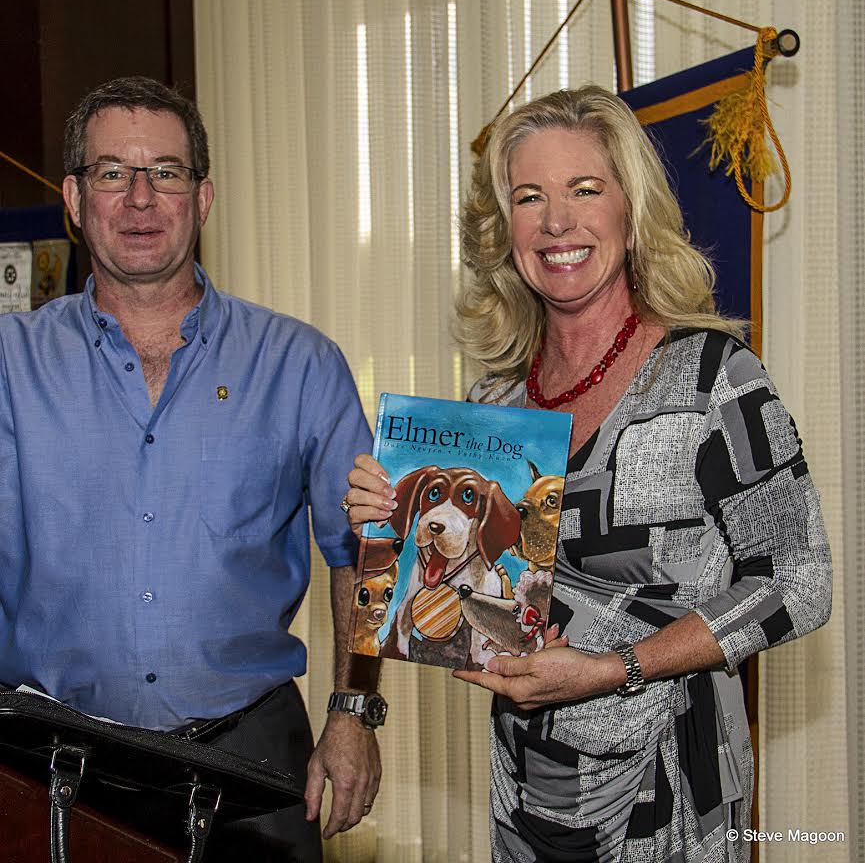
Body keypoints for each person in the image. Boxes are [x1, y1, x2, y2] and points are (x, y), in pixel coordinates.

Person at [343, 85, 832, 863]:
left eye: (584, 189)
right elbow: (476, 591)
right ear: (505, 230)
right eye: (528, 197)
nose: (556, 221)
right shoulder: (494, 404)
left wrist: (615, 668)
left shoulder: (712, 379)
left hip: (673, 788)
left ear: (630, 213)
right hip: (527, 787)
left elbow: (798, 584)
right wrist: (385, 522)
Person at [0, 76, 385, 862]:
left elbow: (365, 551)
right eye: (112, 172)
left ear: (202, 198)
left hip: (252, 765)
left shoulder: (299, 364)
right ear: (74, 198)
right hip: (50, 769)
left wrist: (353, 713)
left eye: (166, 172)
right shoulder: (9, 363)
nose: (140, 198)